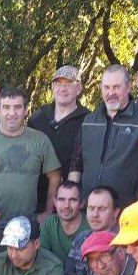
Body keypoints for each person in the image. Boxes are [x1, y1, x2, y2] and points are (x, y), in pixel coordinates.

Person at [72, 65, 138, 207]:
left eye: (116, 87)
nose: (111, 93)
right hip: (91, 210)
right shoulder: (89, 121)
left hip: (130, 211)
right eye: (106, 87)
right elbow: (76, 163)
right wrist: (73, 198)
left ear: (128, 87)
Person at [0, 87, 62, 220]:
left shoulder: (40, 140)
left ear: (25, 110)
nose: (11, 113)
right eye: (6, 107)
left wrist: (48, 212)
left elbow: (55, 176)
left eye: (18, 107)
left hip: (26, 222)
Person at [29, 65, 91, 212]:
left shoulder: (89, 120)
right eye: (58, 84)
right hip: (36, 199)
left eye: (69, 84)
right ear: (52, 87)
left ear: (79, 89)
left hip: (71, 201)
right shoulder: (38, 117)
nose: (63, 89)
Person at [62, 186, 123, 275]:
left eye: (101, 209)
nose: (94, 214)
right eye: (91, 208)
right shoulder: (81, 239)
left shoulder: (123, 244)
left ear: (115, 212)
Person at [39, 180, 88, 260]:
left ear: (82, 203)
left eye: (72, 200)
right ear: (55, 202)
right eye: (61, 199)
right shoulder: (51, 222)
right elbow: (42, 257)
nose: (66, 206)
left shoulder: (91, 226)